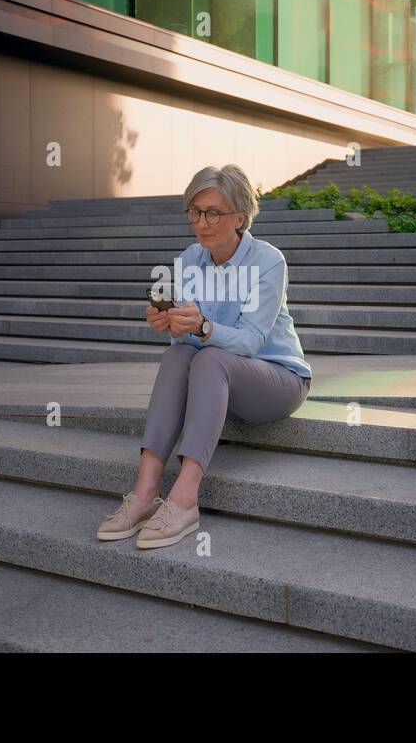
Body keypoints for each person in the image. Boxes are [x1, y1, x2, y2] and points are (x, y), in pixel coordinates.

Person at [96, 164, 313, 550]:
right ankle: (145, 493)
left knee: (209, 357)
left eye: (214, 212)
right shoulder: (191, 259)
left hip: (278, 380)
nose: (202, 222)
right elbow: (191, 343)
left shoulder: (268, 261)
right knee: (178, 356)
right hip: (219, 375)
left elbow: (248, 342)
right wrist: (172, 324)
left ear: (240, 217)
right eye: (195, 212)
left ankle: (184, 499)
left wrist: (203, 327)